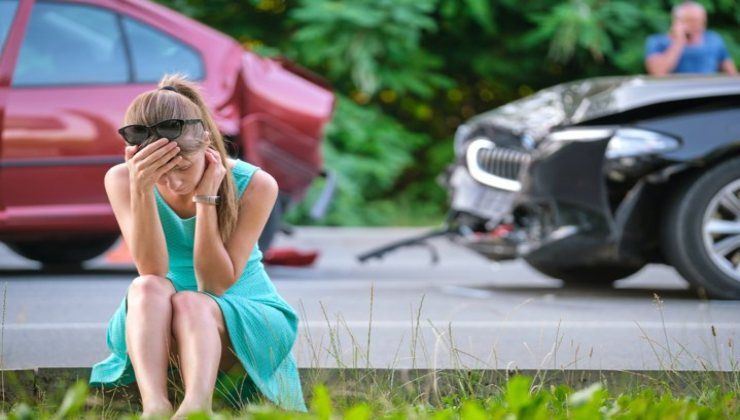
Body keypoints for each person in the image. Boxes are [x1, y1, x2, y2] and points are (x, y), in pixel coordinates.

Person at [88, 73, 308, 418]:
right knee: (145, 287)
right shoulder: (122, 179)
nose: (174, 182)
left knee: (193, 302)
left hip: (241, 316)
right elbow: (153, 269)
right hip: (155, 320)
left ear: (206, 142)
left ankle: (195, 409)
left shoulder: (255, 185)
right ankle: (156, 406)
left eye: (183, 166)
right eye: (160, 171)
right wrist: (143, 189)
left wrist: (207, 199)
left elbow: (215, 285)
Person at [644, 1, 737, 76]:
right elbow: (658, 73)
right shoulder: (658, 41)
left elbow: (732, 74)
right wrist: (679, 41)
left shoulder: (714, 39)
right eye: (691, 21)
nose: (697, 26)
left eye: (701, 21)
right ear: (676, 21)